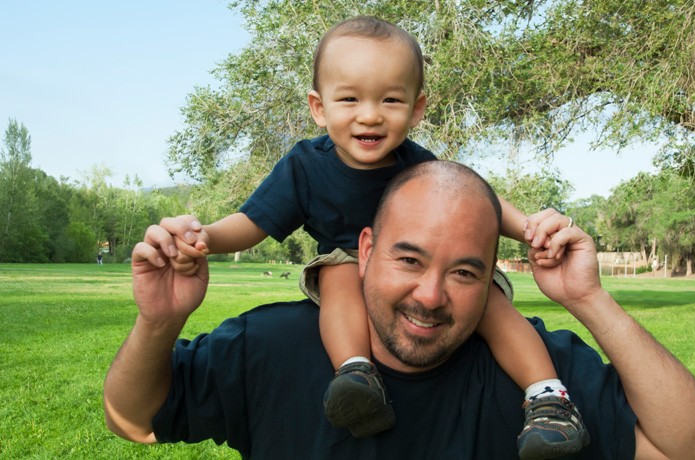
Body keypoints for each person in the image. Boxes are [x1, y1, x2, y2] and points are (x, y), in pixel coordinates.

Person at [163, 16, 586, 457]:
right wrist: (205, 237)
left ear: (417, 109)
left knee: (489, 302)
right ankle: (356, 377)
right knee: (336, 273)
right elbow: (253, 221)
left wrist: (530, 227)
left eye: (390, 100)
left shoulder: (418, 165)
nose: (370, 115)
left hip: (422, 266)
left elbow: (480, 203)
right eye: (349, 99)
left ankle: (548, 400)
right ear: (319, 106)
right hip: (348, 260)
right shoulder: (304, 166)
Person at [103, 160, 695, 459]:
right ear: (364, 250)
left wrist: (590, 300)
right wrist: (160, 321)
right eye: (409, 260)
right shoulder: (268, 349)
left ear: (493, 278)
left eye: (464, 272)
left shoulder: (538, 376)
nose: (431, 296)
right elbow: (132, 419)